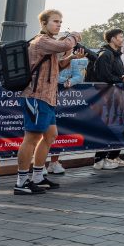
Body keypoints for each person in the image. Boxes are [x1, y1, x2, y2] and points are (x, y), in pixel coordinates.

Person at [14, 10, 81, 194]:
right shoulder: (42, 41)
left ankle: (37, 176)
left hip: (48, 97)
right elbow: (65, 44)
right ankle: (21, 182)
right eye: (55, 21)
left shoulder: (49, 43)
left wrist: (71, 58)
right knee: (32, 138)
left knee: (50, 135)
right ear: (44, 23)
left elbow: (55, 66)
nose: (59, 25)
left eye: (61, 21)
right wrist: (74, 36)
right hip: (36, 96)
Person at [85, 28, 124, 169]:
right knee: (105, 128)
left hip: (114, 97)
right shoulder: (106, 54)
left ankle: (106, 158)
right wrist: (122, 78)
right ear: (113, 39)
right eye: (121, 36)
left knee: (112, 128)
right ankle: (99, 160)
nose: (123, 39)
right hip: (104, 97)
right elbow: (104, 76)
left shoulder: (115, 54)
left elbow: (117, 73)